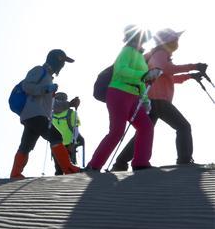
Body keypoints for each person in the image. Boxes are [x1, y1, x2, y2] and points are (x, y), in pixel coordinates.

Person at [112, 28, 208, 170]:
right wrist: (193, 66)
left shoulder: (156, 54)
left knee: (143, 132)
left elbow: (168, 77)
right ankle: (184, 160)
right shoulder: (160, 53)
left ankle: (120, 163)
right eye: (175, 40)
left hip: (151, 100)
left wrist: (190, 76)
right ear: (169, 41)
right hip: (158, 100)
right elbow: (166, 69)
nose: (177, 42)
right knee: (183, 126)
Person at [87, 27, 160, 172]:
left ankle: (140, 162)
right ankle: (94, 165)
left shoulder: (139, 55)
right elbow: (120, 69)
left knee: (146, 126)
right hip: (118, 92)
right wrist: (144, 75)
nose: (145, 41)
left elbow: (141, 81)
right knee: (117, 131)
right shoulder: (127, 50)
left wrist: (145, 100)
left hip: (133, 96)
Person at [9, 49, 83, 178]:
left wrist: (69, 104)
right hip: (34, 114)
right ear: (57, 59)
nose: (63, 65)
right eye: (63, 61)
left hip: (34, 115)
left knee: (26, 145)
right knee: (55, 136)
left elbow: (50, 105)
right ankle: (68, 168)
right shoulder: (39, 70)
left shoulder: (48, 77)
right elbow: (27, 86)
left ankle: (15, 173)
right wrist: (46, 89)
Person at [50, 93, 83, 174]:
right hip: (69, 144)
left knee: (58, 169)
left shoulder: (50, 114)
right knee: (70, 167)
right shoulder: (72, 113)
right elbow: (76, 130)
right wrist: (74, 142)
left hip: (55, 145)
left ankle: (57, 184)